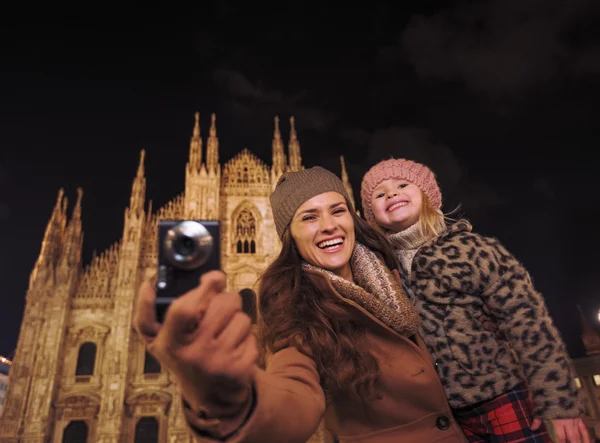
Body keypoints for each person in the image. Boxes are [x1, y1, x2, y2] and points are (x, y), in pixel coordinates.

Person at [134, 166, 468, 443]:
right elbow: (292, 397)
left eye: (338, 210)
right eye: (308, 217)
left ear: (353, 218)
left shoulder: (405, 273)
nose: (328, 225)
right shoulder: (297, 313)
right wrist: (225, 395)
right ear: (289, 236)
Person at [360, 157, 589, 443]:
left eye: (402, 184)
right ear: (371, 215)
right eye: (379, 194)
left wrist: (559, 400)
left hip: (502, 393)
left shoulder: (472, 249)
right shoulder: (384, 272)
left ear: (427, 196)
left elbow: (528, 322)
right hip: (443, 413)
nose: (391, 194)